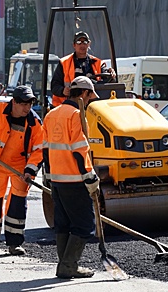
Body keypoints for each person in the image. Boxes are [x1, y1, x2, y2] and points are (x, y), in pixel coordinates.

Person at [0, 86, 44, 255]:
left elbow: (39, 150)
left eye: (30, 104)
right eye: (24, 104)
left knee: (17, 205)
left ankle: (14, 244)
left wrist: (30, 171)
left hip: (20, 167)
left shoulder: (34, 123)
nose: (27, 108)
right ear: (14, 102)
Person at [42, 76, 100, 278]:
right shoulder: (76, 116)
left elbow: (46, 149)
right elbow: (79, 150)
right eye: (90, 95)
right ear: (83, 94)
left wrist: (48, 176)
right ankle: (68, 265)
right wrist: (90, 177)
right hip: (75, 181)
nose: (91, 99)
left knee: (64, 224)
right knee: (84, 225)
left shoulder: (52, 114)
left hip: (57, 180)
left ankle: (64, 265)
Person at [51, 31, 116, 107]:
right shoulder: (64, 63)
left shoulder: (98, 63)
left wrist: (111, 75)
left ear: (89, 44)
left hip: (93, 105)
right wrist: (63, 91)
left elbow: (108, 81)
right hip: (69, 105)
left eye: (85, 42)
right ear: (74, 45)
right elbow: (55, 86)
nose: (82, 45)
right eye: (79, 42)